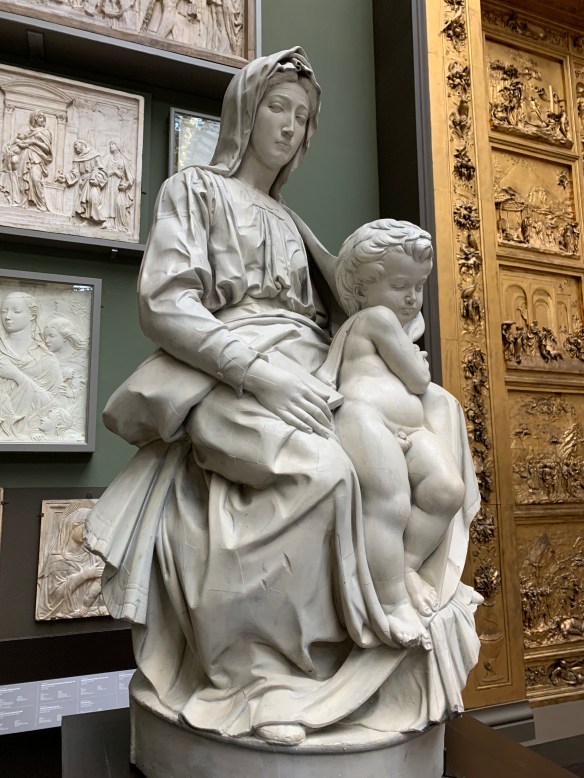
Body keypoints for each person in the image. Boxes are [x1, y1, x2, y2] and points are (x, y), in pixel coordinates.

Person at [85, 48, 481, 750]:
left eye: (303, 116)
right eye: (277, 107)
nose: (291, 126)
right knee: (322, 473)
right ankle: (260, 676)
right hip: (224, 372)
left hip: (313, 371)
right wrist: (258, 373)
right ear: (245, 110)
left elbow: (350, 313)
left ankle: (384, 604)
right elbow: (164, 304)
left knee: (430, 441)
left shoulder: (293, 225)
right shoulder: (194, 190)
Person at [319, 219, 466, 651]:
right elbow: (418, 378)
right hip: (365, 420)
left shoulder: (384, 325)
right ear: (362, 288)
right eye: (401, 285)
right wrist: (415, 362)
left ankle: (404, 566)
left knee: (447, 490)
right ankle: (391, 600)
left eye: (418, 286)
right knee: (391, 504)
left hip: (405, 428)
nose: (412, 298)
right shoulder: (377, 319)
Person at [0, 291, 63, 438]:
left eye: (16, 311)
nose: (7, 316)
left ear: (32, 315)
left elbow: (57, 406)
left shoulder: (46, 359)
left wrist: (16, 375)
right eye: (4, 311)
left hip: (32, 431)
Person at [37, 503, 108, 620]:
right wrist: (85, 575)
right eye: (85, 527)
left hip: (92, 613)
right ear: (72, 526)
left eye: (91, 529)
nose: (88, 532)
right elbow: (52, 598)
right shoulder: (56, 560)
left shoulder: (94, 555)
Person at [57, 140, 107, 223]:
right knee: (85, 203)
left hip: (92, 181)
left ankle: (101, 221)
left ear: (83, 144)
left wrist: (97, 180)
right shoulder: (77, 158)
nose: (75, 148)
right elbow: (75, 173)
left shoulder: (94, 155)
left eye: (77, 145)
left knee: (93, 199)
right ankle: (87, 222)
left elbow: (102, 170)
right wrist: (65, 178)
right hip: (83, 183)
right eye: (74, 147)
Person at [13, 110, 53, 211]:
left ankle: (40, 203)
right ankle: (24, 201)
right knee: (22, 178)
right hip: (25, 155)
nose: (43, 119)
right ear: (34, 118)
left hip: (37, 157)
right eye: (40, 117)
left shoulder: (45, 132)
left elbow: (47, 149)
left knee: (36, 178)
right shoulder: (28, 132)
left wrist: (34, 142)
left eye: (44, 117)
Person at [101, 140, 134, 232]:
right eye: (110, 144)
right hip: (108, 185)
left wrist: (126, 185)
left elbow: (130, 177)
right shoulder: (107, 158)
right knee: (108, 202)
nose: (111, 146)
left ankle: (118, 224)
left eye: (113, 144)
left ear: (118, 146)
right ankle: (107, 222)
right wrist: (114, 171)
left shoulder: (123, 160)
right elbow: (102, 172)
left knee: (118, 203)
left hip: (119, 186)